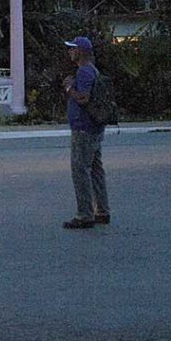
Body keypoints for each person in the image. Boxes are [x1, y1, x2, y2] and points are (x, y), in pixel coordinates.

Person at [61, 36, 110, 229]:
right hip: (95, 127)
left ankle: (85, 214)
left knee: (80, 170)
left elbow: (83, 98)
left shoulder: (83, 72)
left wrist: (68, 88)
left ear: (80, 51)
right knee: (96, 169)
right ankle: (102, 210)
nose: (69, 52)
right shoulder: (93, 71)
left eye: (72, 49)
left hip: (83, 128)